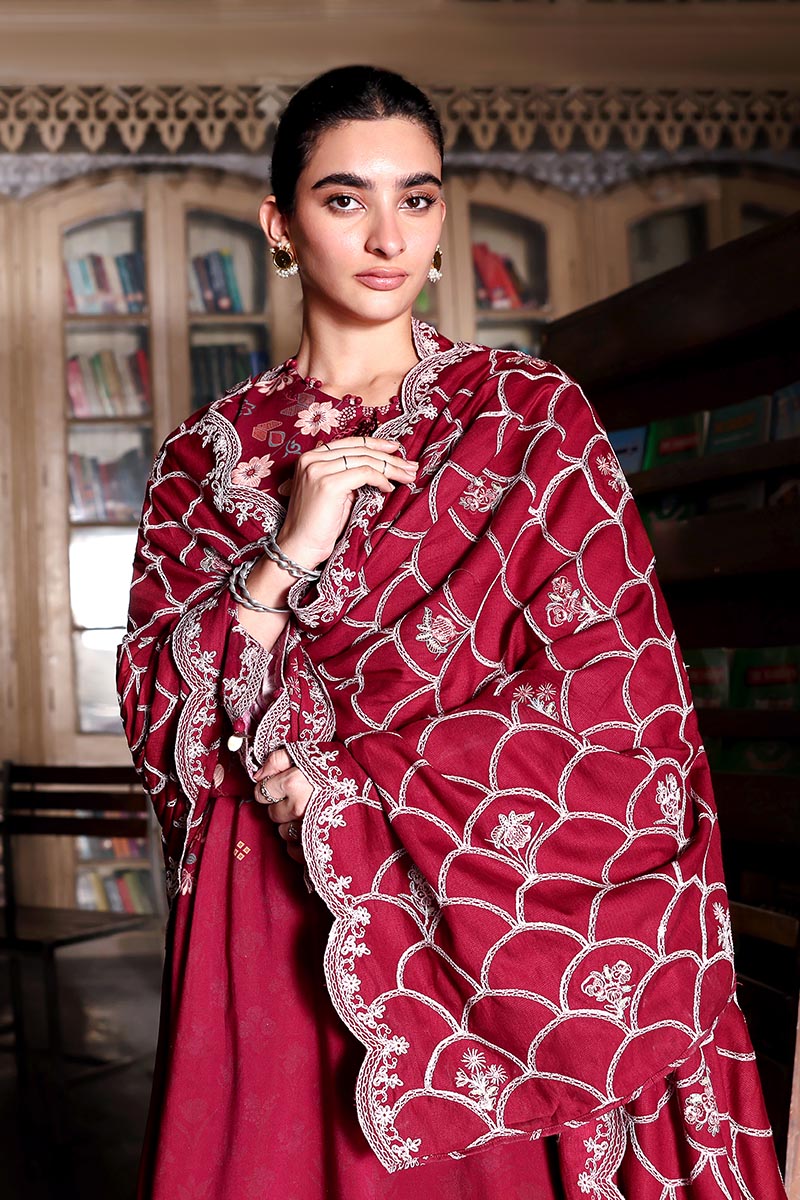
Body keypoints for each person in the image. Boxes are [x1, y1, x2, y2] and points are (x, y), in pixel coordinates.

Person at [117, 64, 787, 1200]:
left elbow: (622, 705)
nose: (388, 237)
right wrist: (283, 558)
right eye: (344, 199)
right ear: (279, 224)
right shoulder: (202, 459)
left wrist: (349, 789)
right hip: (271, 927)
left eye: (417, 198)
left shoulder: (530, 420)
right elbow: (161, 725)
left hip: (492, 936)